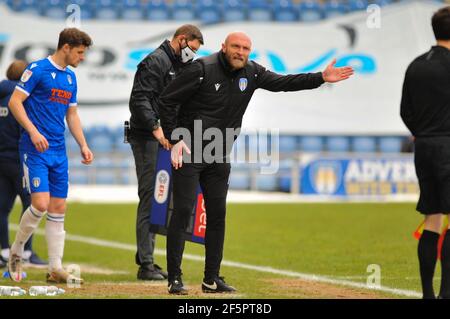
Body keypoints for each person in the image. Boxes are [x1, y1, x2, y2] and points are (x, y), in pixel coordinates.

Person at [159, 32, 354, 294]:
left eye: (246, 48)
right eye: (236, 46)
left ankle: (211, 279)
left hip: (218, 153)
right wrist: (174, 137)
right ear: (224, 47)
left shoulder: (252, 72)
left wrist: (320, 78)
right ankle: (174, 278)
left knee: (218, 216)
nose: (241, 51)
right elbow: (166, 100)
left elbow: (284, 82)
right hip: (189, 151)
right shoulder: (201, 69)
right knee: (182, 212)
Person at [7, 28, 94, 284]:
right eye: (79, 52)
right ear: (65, 47)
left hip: (58, 151)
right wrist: (33, 132)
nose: (82, 58)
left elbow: (72, 115)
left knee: (58, 209)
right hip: (35, 150)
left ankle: (55, 268)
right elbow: (14, 102)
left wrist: (83, 144)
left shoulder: (70, 79)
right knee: (40, 205)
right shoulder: (37, 69)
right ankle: (17, 250)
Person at [128, 24, 204, 281]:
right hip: (147, 137)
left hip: (166, 138)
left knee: (162, 199)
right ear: (182, 40)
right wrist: (157, 130)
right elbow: (140, 100)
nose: (191, 54)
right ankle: (146, 263)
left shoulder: (179, 65)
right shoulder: (156, 61)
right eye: (191, 48)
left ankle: (148, 259)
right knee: (151, 196)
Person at [400, 6, 450, 299]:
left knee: (433, 218)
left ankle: (428, 294)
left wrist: (423, 132)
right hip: (448, 145)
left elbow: (405, 111)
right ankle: (446, 293)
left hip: (424, 147)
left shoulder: (416, 65)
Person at [0, 60, 47, 269]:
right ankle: (25, 251)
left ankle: (2, 250)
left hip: (1, 161)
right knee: (32, 205)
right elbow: (26, 132)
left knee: (2, 208)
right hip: (20, 161)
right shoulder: (22, 101)